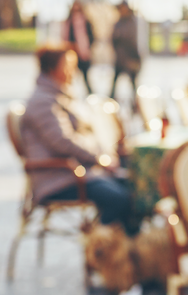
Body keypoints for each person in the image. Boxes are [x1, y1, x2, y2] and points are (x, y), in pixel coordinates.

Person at [22, 44, 133, 231]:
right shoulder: (43, 101)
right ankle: (101, 247)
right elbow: (62, 142)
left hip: (78, 172)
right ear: (52, 68)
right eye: (68, 65)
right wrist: (100, 159)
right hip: (59, 178)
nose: (73, 72)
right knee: (121, 198)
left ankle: (128, 248)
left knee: (135, 186)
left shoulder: (59, 95)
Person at [110, 1, 141, 101]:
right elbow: (113, 38)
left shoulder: (131, 22)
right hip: (120, 57)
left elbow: (131, 40)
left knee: (132, 81)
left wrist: (135, 57)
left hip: (129, 57)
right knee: (116, 80)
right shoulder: (119, 22)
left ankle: (135, 101)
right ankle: (112, 98)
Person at [63, 0, 95, 95]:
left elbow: (91, 36)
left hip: (82, 52)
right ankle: (68, 92)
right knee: (70, 75)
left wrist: (87, 48)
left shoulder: (85, 21)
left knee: (85, 75)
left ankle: (89, 93)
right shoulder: (69, 21)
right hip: (72, 51)